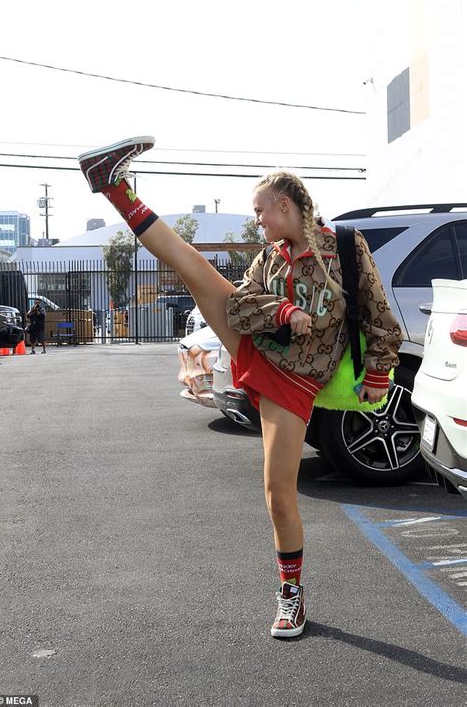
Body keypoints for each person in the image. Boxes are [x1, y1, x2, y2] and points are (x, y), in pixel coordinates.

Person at [78, 137, 403, 638]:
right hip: (258, 348)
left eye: (260, 212)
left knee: (277, 492)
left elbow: (380, 313)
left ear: (285, 205)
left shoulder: (345, 246)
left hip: (296, 381)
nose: (257, 221)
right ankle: (113, 187)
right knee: (192, 267)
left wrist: (379, 372)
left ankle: (291, 593)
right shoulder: (269, 258)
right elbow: (240, 306)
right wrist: (281, 310)